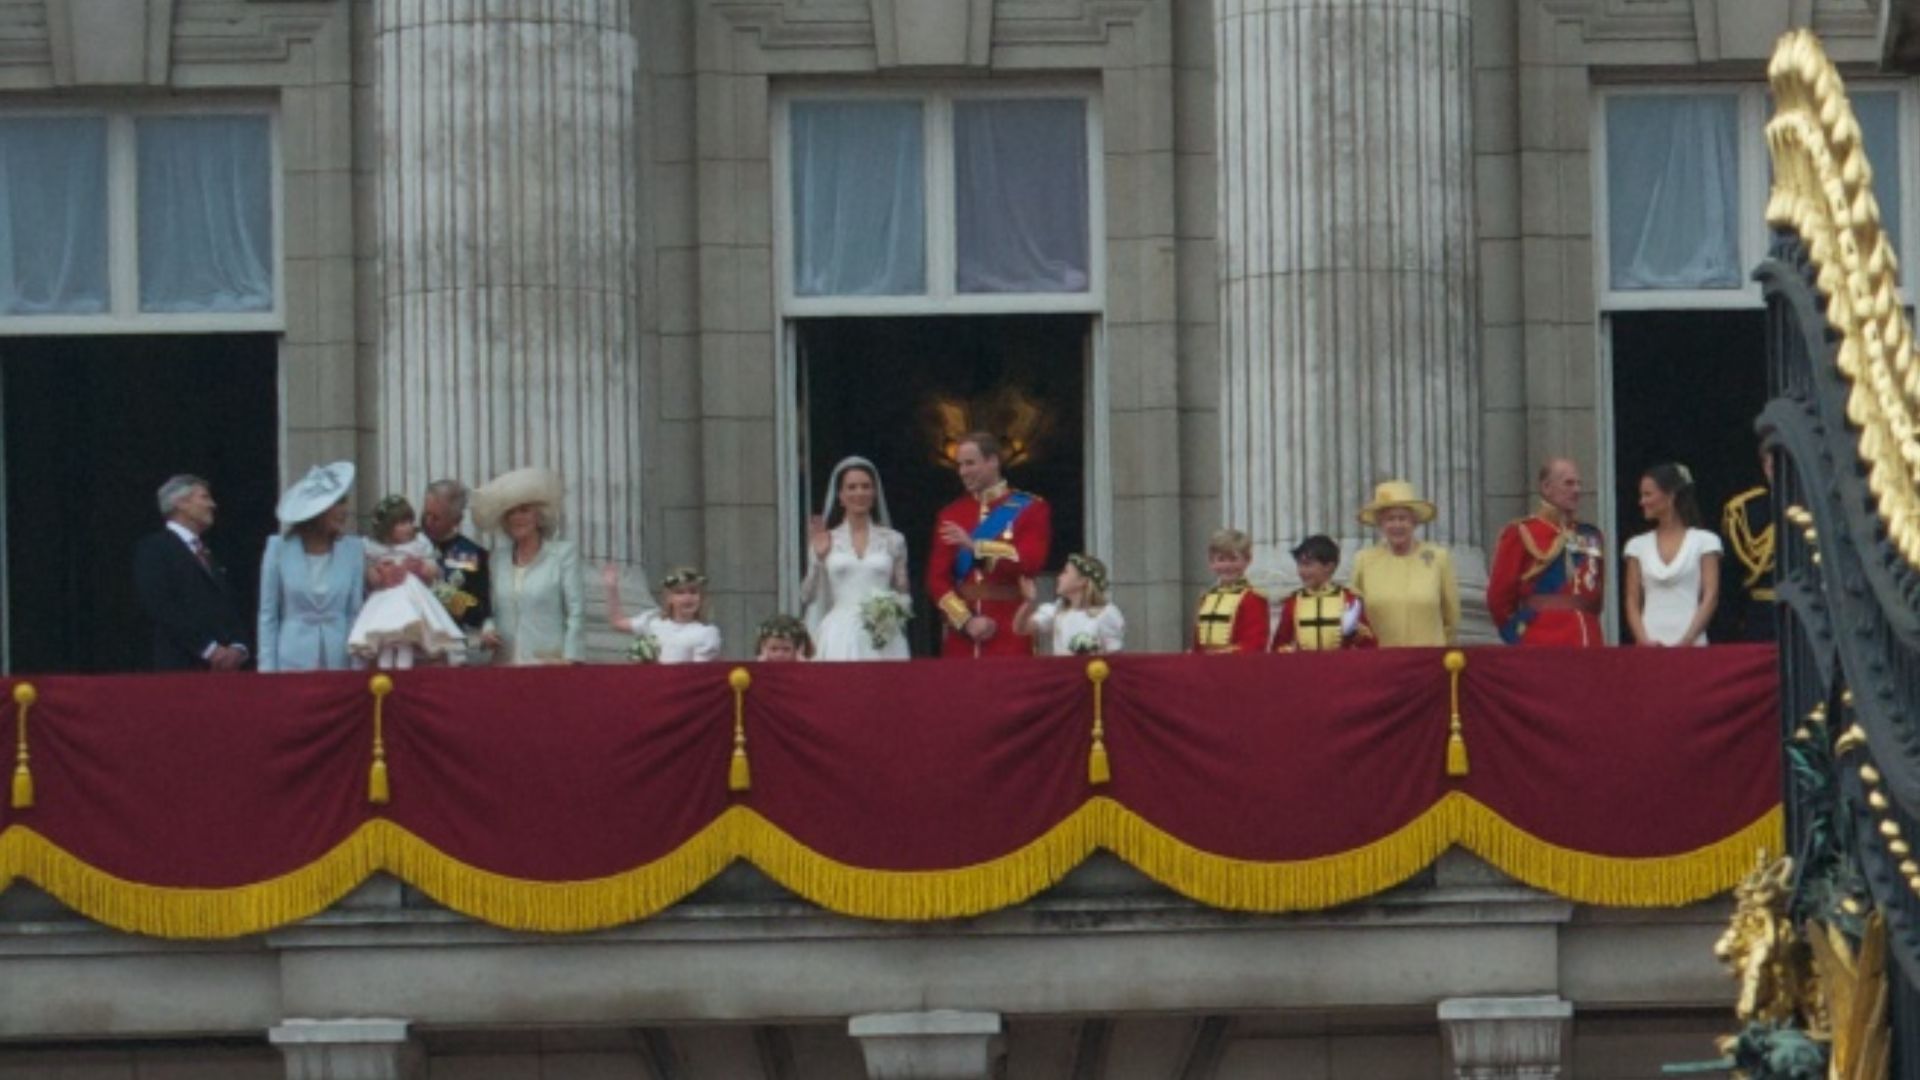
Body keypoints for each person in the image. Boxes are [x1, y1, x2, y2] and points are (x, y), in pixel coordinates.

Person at [926, 432, 1053, 658]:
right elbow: (937, 580)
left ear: (993, 461)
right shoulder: (951, 514)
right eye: (960, 465)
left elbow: (1030, 562)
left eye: (970, 463)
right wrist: (965, 621)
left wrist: (975, 546)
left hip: (1011, 629)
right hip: (962, 639)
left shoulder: (1031, 509)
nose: (962, 471)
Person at [133, 474, 250, 672]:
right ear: (181, 503)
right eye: (204, 498)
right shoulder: (156, 548)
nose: (212, 505)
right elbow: (161, 605)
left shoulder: (208, 552)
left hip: (223, 670)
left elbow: (227, 603)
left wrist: (238, 646)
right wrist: (208, 649)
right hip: (181, 665)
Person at [258, 462, 366, 672]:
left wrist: (357, 667)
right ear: (317, 511)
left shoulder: (353, 549)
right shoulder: (278, 548)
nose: (344, 510)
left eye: (344, 502)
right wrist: (267, 671)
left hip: (340, 659)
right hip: (292, 660)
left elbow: (354, 612)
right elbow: (268, 615)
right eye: (337, 503)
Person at [1488, 457, 1606, 646]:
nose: (1577, 490)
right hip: (1541, 640)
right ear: (1546, 487)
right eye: (1568, 483)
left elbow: (1596, 598)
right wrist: (1519, 636)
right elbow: (1499, 599)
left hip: (1588, 637)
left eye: (1578, 484)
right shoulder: (1521, 532)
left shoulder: (1591, 535)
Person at [802, 456, 912, 661]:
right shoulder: (825, 539)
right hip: (839, 633)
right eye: (851, 487)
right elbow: (807, 595)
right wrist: (818, 558)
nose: (859, 493)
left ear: (874, 493)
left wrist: (892, 614)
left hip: (882, 634)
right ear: (840, 496)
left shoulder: (894, 540)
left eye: (865, 486)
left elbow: (903, 592)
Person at [472, 467, 584, 665]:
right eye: (511, 513)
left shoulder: (562, 555)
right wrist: (487, 629)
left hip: (549, 665)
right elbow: (489, 608)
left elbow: (575, 611)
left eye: (524, 510)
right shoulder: (497, 560)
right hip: (503, 665)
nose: (517, 518)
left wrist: (571, 658)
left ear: (538, 516)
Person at [348, 495, 467, 669]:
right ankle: (386, 658)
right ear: (387, 528)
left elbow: (434, 568)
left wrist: (422, 567)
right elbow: (368, 574)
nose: (409, 527)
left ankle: (405, 655)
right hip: (385, 595)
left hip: (412, 593)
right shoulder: (375, 548)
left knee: (408, 626)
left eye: (410, 521)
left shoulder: (418, 544)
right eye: (402, 523)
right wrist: (377, 573)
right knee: (386, 627)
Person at [1349, 480, 1459, 647]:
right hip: (1381, 659)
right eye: (1390, 519)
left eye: (1403, 518)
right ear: (1380, 524)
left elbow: (1451, 616)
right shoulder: (1364, 560)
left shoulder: (1438, 558)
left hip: (1427, 659)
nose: (1397, 525)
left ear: (1414, 522)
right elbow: (1354, 613)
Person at [1623, 462, 1722, 647]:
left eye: (1648, 494)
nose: (1641, 501)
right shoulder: (1636, 546)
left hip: (1693, 643)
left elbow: (1711, 596)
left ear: (1670, 496)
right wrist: (1643, 641)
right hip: (1649, 643)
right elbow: (1631, 600)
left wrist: (1686, 641)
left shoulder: (1705, 541)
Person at [1273, 534, 1376, 652]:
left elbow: (1369, 645)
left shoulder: (1349, 599)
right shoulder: (1293, 601)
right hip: (1304, 668)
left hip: (1341, 668)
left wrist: (1354, 632)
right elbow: (1280, 643)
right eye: (1299, 564)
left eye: (1308, 564)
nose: (1301, 571)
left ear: (1329, 567)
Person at [603, 565, 722, 664]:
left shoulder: (706, 633)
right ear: (669, 598)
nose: (688, 597)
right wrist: (611, 588)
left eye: (693, 592)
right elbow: (617, 622)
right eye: (680, 593)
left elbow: (697, 675)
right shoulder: (652, 621)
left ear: (701, 598)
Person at [420, 478, 491, 642]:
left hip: (450, 643)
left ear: (456, 520)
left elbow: (480, 612)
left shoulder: (473, 555)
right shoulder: (409, 543)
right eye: (426, 514)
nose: (428, 522)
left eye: (436, 518)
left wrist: (443, 593)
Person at [1014, 553, 1125, 655]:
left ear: (1082, 581)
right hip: (1063, 675)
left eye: (1065, 572)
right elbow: (1021, 628)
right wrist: (1029, 602)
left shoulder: (1106, 613)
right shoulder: (1057, 610)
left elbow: (1114, 656)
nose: (1059, 577)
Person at [1721, 450, 1776, 642]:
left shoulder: (1817, 504)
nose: (1774, 469)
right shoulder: (1745, 510)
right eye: (1770, 463)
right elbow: (1731, 574)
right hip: (1762, 616)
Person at [1192, 528, 1270, 654]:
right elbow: (1197, 643)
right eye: (1221, 559)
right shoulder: (1206, 598)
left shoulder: (1253, 598)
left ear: (1247, 560)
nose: (1227, 566)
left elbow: (1255, 644)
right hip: (1205, 668)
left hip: (1237, 667)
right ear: (1211, 562)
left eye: (1233, 559)